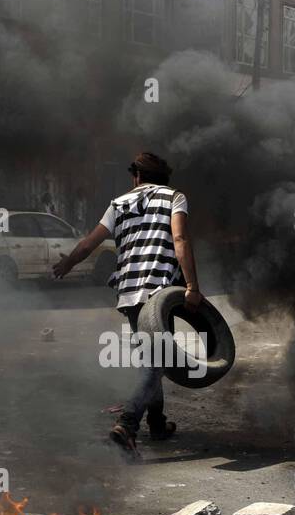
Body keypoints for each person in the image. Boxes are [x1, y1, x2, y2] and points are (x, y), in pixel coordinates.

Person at [52, 152, 201, 454]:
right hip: (159, 292)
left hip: (130, 293)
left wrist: (68, 263)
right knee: (156, 362)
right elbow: (181, 239)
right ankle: (128, 422)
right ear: (163, 178)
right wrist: (192, 286)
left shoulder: (118, 204)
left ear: (136, 176)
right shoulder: (175, 197)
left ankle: (157, 425)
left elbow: (88, 243)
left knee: (151, 358)